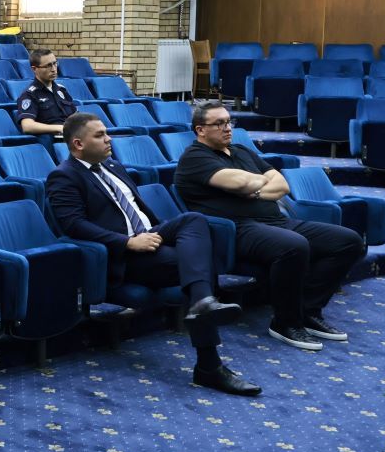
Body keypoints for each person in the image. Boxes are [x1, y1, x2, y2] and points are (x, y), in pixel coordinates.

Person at [47, 112, 261, 395]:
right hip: (124, 255)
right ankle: (209, 363)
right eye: (100, 135)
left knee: (193, 220)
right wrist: (127, 243)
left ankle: (202, 306)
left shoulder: (112, 166)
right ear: (78, 144)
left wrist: (158, 235)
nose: (109, 139)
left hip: (150, 235)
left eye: (107, 133)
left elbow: (138, 209)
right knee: (200, 266)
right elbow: (74, 225)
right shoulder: (64, 176)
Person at [174, 100, 365, 351]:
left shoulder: (242, 151)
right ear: (200, 130)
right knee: (294, 245)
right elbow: (241, 183)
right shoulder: (194, 157)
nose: (227, 128)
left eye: (229, 122)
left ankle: (307, 311)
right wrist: (256, 183)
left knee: (348, 241)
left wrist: (252, 190)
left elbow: (282, 185)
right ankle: (285, 322)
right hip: (237, 229)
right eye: (219, 123)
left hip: (278, 221)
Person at [15, 48, 78, 137]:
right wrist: (59, 128)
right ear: (34, 69)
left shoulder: (61, 90)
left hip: (70, 136)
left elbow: (75, 117)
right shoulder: (29, 94)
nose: (54, 69)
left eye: (55, 63)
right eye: (48, 66)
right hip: (52, 138)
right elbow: (27, 126)